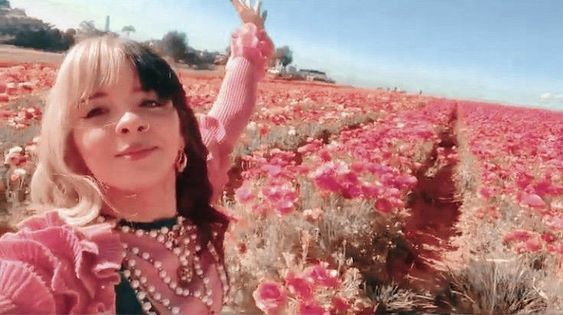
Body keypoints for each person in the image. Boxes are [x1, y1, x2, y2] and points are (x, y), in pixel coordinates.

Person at [0, 0, 274, 313]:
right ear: (69, 146)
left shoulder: (192, 185)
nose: (131, 120)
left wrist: (252, 32)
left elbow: (230, 111)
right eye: (97, 110)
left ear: (182, 130)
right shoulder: (58, 264)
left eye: (151, 102)